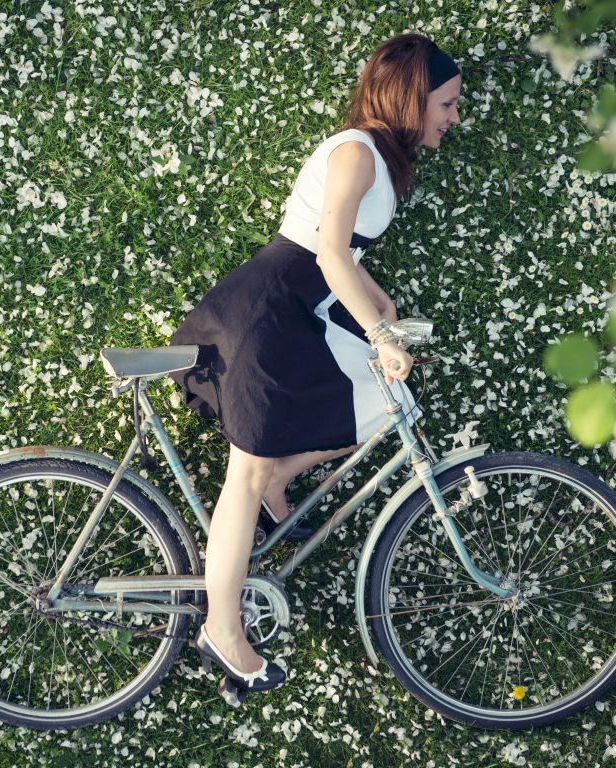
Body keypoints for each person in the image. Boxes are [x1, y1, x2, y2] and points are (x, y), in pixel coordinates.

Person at [168, 33, 463, 692]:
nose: (453, 118)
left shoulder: (377, 159)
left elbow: (348, 262)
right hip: (270, 315)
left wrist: (388, 318)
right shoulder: (357, 151)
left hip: (298, 312)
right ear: (412, 97)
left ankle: (279, 481)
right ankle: (223, 628)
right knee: (240, 481)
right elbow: (329, 254)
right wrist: (379, 336)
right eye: (446, 103)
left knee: (393, 405)